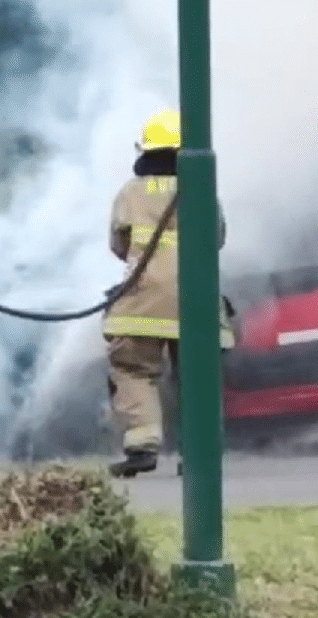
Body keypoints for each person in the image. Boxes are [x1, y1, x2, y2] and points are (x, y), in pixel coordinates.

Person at [101, 108, 234, 479]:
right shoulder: (203, 189)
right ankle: (199, 454)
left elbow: (119, 245)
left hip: (143, 300)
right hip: (198, 298)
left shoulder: (130, 193)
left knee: (133, 368)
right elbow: (217, 238)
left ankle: (142, 445)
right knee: (197, 376)